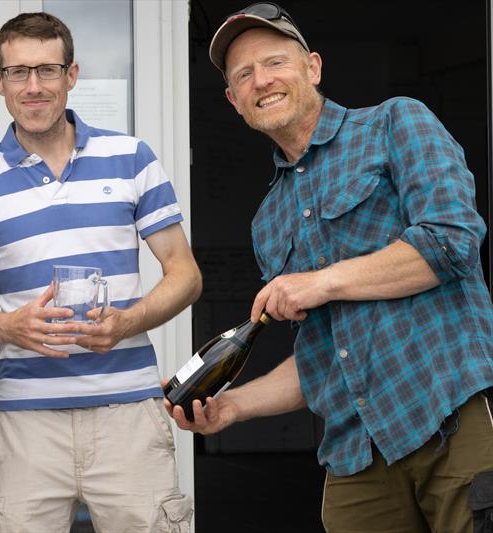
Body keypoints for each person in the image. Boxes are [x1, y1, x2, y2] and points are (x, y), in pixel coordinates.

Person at [167, 3, 493, 532]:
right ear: (232, 100)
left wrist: (320, 282)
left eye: (275, 62)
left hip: (449, 418)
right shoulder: (268, 221)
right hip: (356, 455)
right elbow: (320, 354)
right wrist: (232, 409)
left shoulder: (395, 122)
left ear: (313, 68)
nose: (262, 81)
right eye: (244, 74)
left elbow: (452, 242)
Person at [0, 11, 202, 533]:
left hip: (129, 414)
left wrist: (127, 321)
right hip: (25, 423)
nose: (34, 87)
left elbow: (185, 274)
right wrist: (7, 327)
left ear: (71, 75)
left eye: (47, 71)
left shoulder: (131, 158)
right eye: (18, 73)